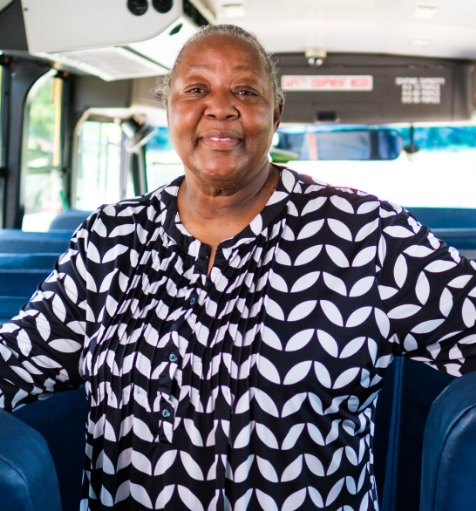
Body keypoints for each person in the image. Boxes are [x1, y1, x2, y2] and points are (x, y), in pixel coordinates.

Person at [1, 23, 476, 511]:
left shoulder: (364, 233)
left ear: (276, 113)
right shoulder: (110, 238)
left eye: (245, 90)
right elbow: (15, 362)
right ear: (171, 108)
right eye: (197, 89)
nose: (221, 106)